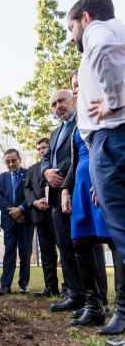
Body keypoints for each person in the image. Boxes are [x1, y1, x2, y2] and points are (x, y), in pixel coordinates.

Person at [67, 0, 125, 346]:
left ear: (85, 18)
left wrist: (115, 101)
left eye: (72, 28)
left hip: (112, 138)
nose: (73, 37)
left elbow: (102, 47)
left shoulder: (100, 33)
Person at [61, 70, 109, 327]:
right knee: (80, 242)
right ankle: (93, 306)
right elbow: (76, 158)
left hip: (103, 178)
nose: (77, 89)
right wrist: (67, 189)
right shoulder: (78, 118)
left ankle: (119, 308)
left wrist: (103, 180)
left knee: (112, 240)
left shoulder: (107, 105)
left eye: (81, 83)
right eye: (74, 85)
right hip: (80, 185)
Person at [41, 90, 85, 312]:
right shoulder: (55, 132)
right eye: (53, 104)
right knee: (65, 245)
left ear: (73, 100)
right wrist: (47, 171)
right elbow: (46, 159)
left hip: (78, 189)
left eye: (61, 101)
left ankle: (96, 297)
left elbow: (80, 155)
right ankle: (73, 293)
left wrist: (60, 173)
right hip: (57, 197)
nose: (58, 106)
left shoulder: (83, 121)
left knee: (85, 244)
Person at [24, 138, 59, 297]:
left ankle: (70, 288)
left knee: (66, 252)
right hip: (40, 216)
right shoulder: (31, 170)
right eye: (38, 149)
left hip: (59, 213)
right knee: (46, 252)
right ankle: (50, 288)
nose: (41, 151)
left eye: (44, 147)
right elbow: (27, 189)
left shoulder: (58, 163)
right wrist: (35, 202)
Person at [0, 149, 33, 295]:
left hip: (26, 219)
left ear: (19, 159)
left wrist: (21, 209)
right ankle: (5, 285)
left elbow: (32, 193)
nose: (11, 164)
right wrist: (14, 213)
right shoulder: (0, 178)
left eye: (13, 160)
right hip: (9, 220)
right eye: (8, 161)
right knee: (9, 251)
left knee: (25, 252)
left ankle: (23, 284)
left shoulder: (28, 173)